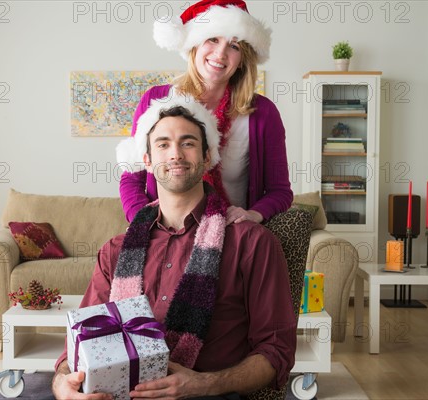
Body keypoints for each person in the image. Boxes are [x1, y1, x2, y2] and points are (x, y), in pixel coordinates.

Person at [53, 95, 296, 399]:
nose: (175, 154)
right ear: (147, 160)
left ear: (208, 157)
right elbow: (80, 341)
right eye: (163, 144)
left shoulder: (251, 243)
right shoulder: (115, 250)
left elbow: (277, 350)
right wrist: (63, 384)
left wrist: (204, 384)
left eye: (188, 143)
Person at [117, 0, 293, 226]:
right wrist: (145, 224)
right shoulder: (155, 101)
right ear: (195, 46)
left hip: (232, 233)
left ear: (242, 61)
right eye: (213, 39)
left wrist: (252, 215)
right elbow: (132, 179)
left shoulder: (263, 113)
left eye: (234, 46)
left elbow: (280, 191)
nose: (220, 53)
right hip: (166, 232)